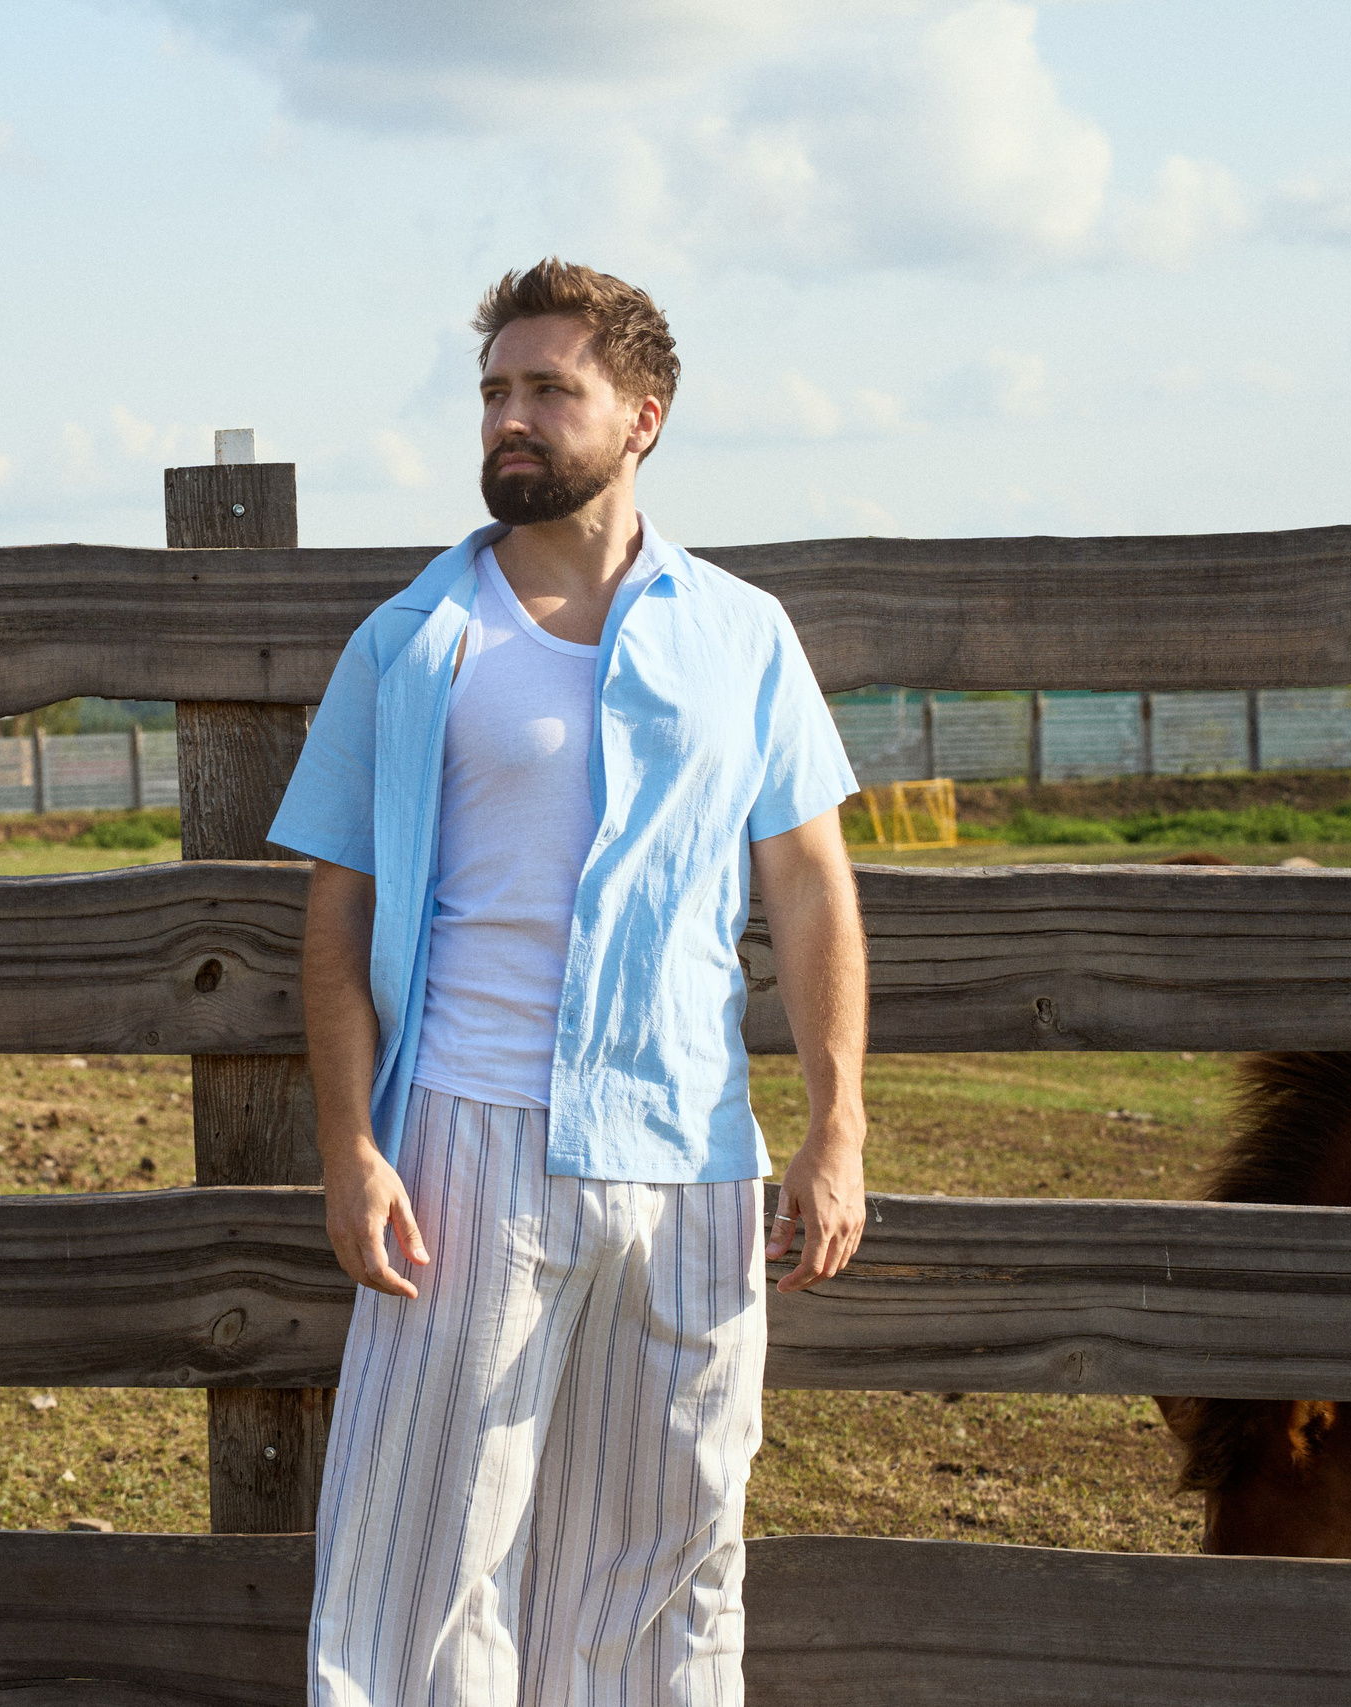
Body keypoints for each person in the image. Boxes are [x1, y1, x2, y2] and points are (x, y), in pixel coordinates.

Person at [270, 260, 869, 1706]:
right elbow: (337, 915)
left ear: (642, 416)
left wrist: (837, 1127)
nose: (510, 418)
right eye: (495, 391)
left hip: (694, 1161)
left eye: (550, 389)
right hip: (465, 1147)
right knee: (421, 1568)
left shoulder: (742, 634)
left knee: (670, 1565)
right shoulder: (410, 642)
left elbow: (809, 885)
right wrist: (351, 1146)